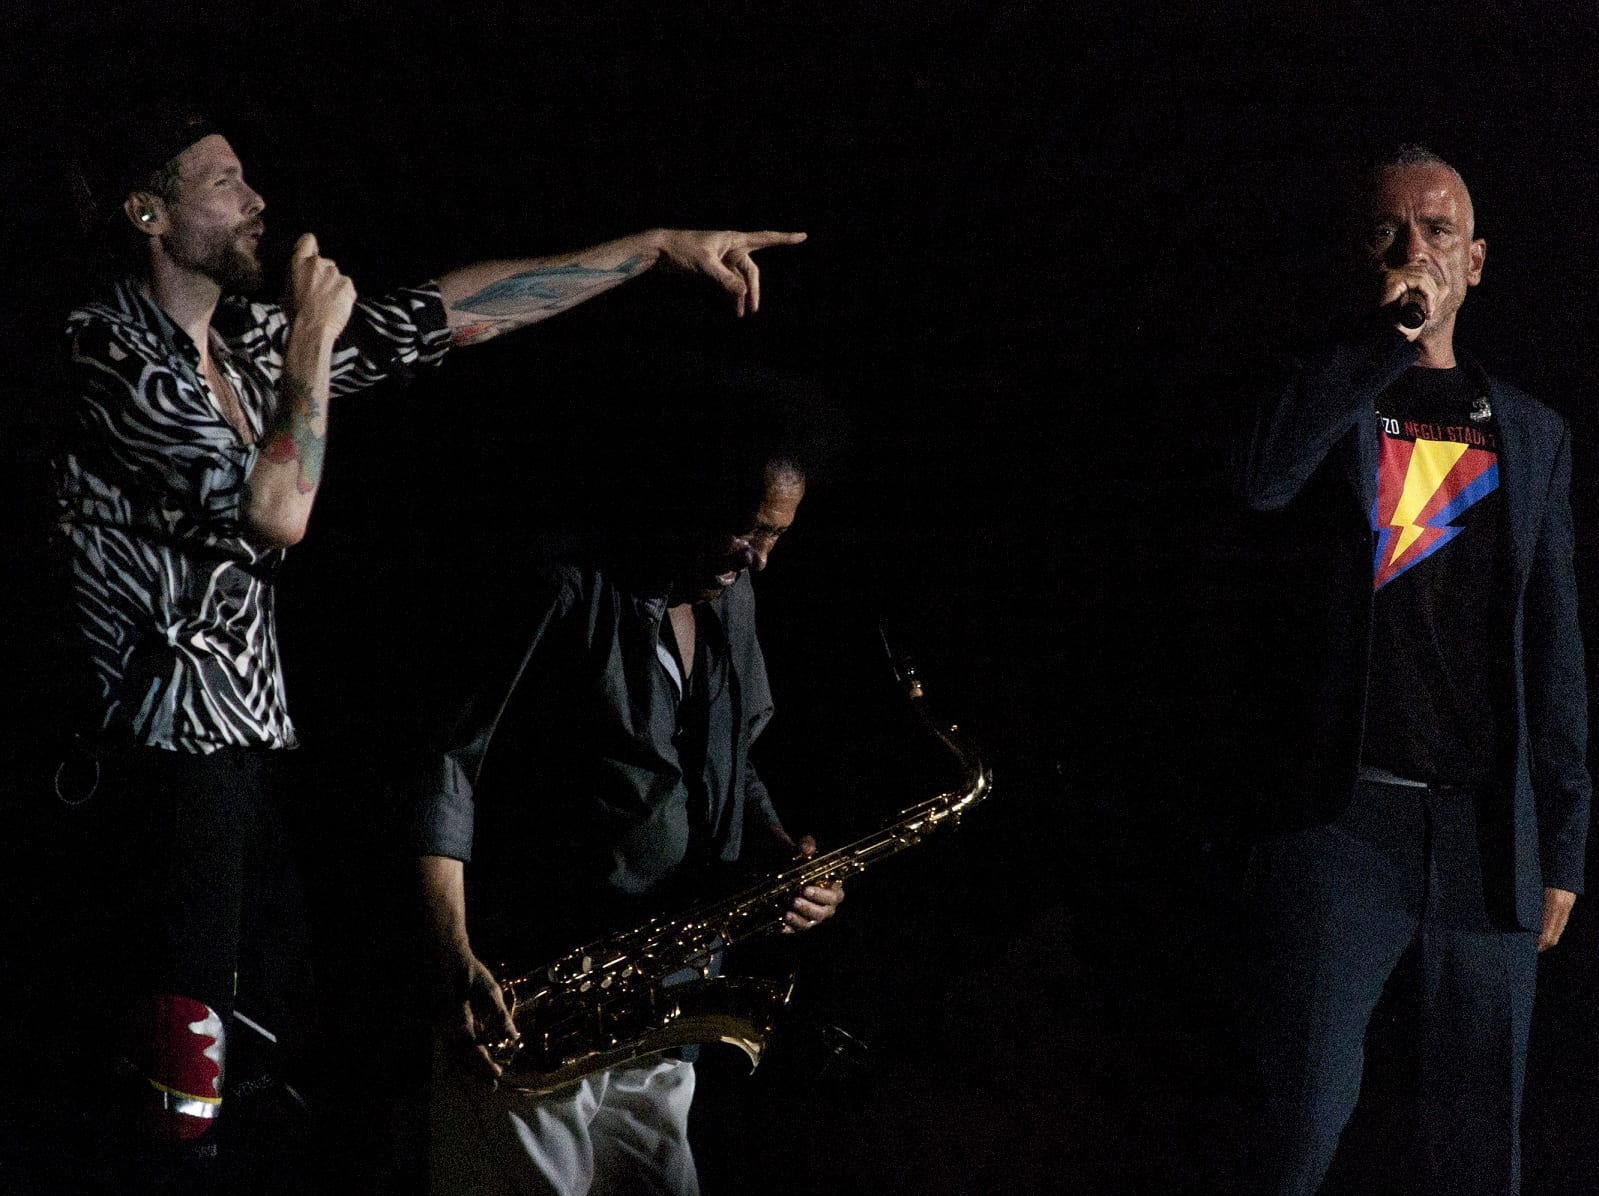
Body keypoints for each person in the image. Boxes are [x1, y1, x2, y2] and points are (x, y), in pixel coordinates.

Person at [44, 105, 805, 1189]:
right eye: (223, 183)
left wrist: (654, 249)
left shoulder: (250, 343)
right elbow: (278, 510)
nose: (256, 201)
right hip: (159, 764)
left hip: (248, 751)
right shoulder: (105, 351)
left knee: (273, 1063)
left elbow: (454, 312)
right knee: (183, 1089)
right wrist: (312, 339)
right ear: (147, 213)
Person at [1235, 144, 1589, 1194]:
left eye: (1438, 232)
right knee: (1298, 1126)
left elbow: (1554, 644)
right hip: (1343, 825)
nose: (1415, 250)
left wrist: (1564, 838)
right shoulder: (1323, 396)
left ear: (1475, 262)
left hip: (1485, 834)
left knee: (1479, 1147)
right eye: (1390, 231)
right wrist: (1372, 348)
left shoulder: (1532, 432)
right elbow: (1259, 483)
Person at [410, 405, 844, 1195]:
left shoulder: (731, 597)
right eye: (746, 529)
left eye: (776, 535)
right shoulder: (562, 585)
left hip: (665, 1005)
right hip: (533, 999)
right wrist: (453, 956)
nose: (758, 558)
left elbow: (730, 759)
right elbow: (446, 766)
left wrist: (782, 856)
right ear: (688, 492)